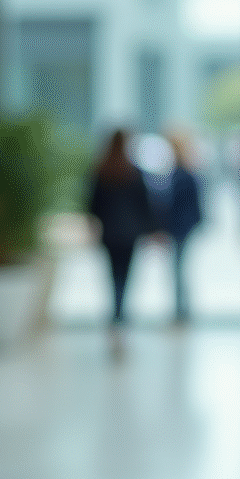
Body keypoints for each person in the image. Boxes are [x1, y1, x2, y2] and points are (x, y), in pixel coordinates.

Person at [87, 129, 159, 339]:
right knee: (125, 275)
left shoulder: (101, 169)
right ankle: (120, 313)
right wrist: (152, 228)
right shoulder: (132, 171)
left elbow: (93, 204)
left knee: (113, 274)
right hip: (129, 232)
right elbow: (144, 204)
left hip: (109, 231)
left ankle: (116, 313)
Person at [162, 128, 203, 324]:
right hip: (178, 226)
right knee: (178, 268)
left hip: (181, 227)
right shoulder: (178, 172)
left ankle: (182, 309)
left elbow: (191, 204)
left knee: (179, 269)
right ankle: (181, 308)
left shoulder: (184, 174)